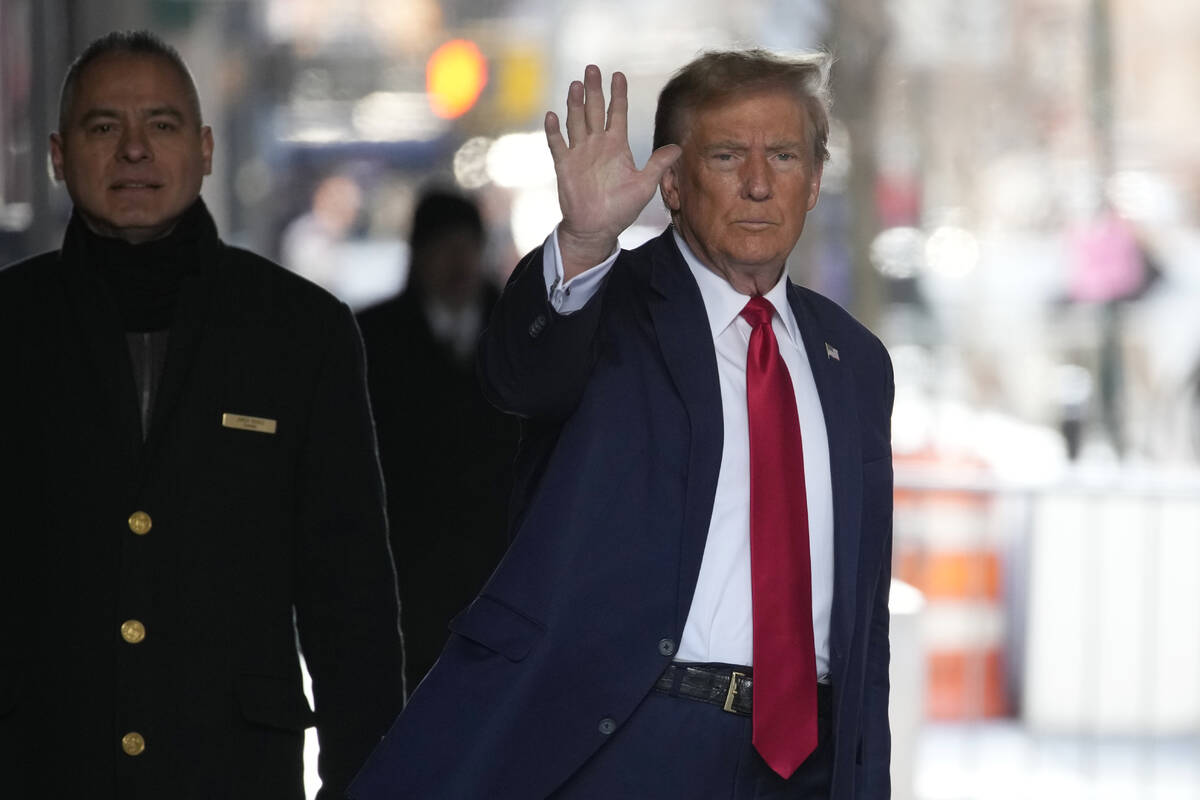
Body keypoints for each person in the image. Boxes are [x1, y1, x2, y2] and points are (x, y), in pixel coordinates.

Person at [351, 49, 893, 799]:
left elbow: (864, 616)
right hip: (630, 740)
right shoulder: (604, 304)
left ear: (815, 178)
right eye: (728, 155)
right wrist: (582, 244)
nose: (760, 183)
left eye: (785, 155)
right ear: (671, 182)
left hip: (808, 762)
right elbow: (516, 375)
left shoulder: (856, 362)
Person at [0, 31, 403, 800]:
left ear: (207, 147)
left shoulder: (300, 332)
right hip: (40, 762)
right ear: (57, 154)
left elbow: (349, 597)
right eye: (102, 127)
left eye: (162, 124)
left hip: (233, 770)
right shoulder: (10, 328)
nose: (134, 151)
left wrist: (373, 783)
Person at [357, 188, 520, 691]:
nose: (456, 262)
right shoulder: (371, 339)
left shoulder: (525, 332)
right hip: (406, 577)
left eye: (466, 245)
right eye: (441, 247)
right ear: (418, 254)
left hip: (507, 574)